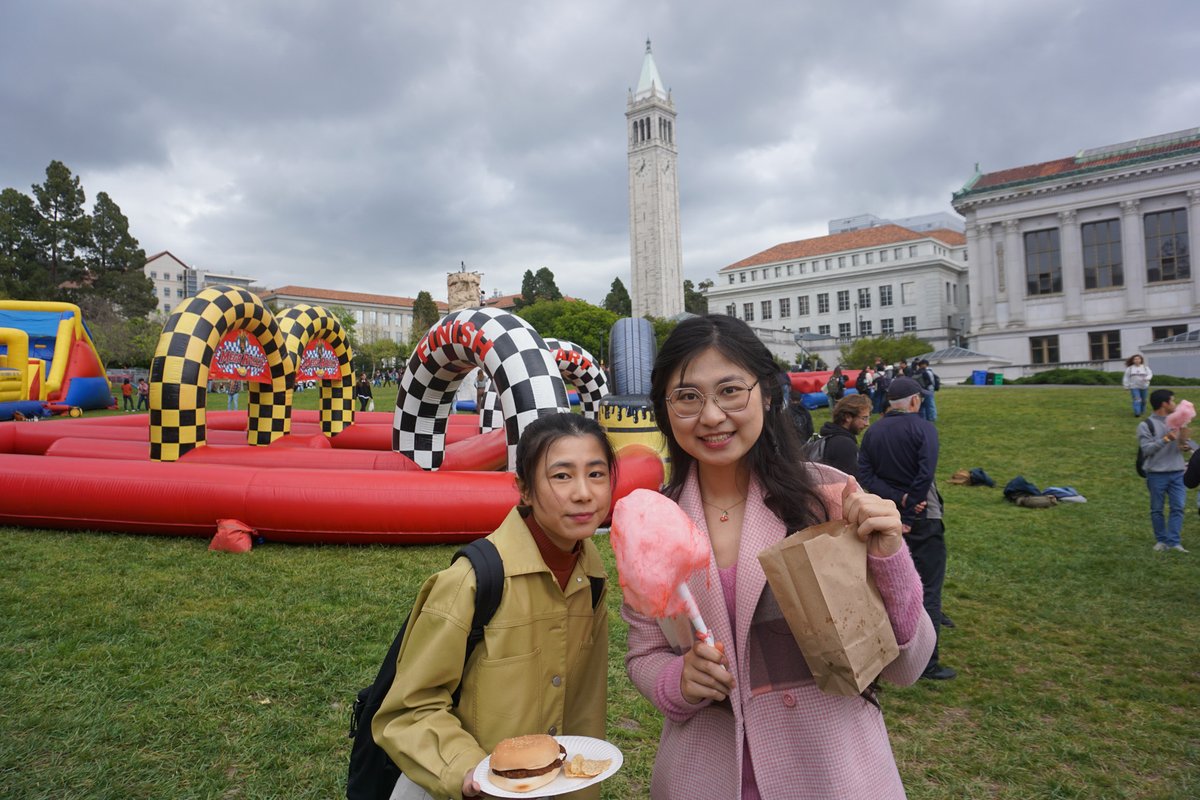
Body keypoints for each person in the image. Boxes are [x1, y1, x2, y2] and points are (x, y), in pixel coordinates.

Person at [623, 314, 935, 799]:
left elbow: (906, 665)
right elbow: (645, 652)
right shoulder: (652, 523)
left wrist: (891, 556)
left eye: (730, 390)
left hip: (829, 772)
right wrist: (677, 682)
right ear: (665, 410)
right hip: (706, 776)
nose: (710, 416)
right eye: (687, 396)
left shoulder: (828, 498)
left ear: (767, 394)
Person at [373, 413, 613, 799]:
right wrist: (467, 769)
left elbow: (584, 707)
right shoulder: (473, 581)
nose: (584, 492)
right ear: (525, 490)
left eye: (597, 474)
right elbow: (408, 710)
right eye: (562, 476)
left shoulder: (593, 577)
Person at [858, 375, 956, 681]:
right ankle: (926, 661)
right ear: (914, 401)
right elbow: (925, 474)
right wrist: (909, 509)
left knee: (890, 587)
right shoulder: (924, 428)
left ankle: (889, 654)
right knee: (928, 589)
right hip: (920, 520)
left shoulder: (873, 431)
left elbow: (865, 474)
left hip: (885, 520)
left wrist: (895, 498)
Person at [1139, 389, 1195, 553]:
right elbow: (1146, 450)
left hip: (1178, 472)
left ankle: (1174, 542)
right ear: (1164, 404)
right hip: (1156, 473)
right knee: (1157, 509)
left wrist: (1185, 443)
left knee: (1178, 507)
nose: (1176, 404)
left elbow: (1184, 444)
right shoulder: (1146, 425)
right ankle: (1161, 541)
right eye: (1173, 401)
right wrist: (1166, 439)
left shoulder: (1178, 422)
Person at [815, 394, 872, 479]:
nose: (867, 424)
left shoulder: (830, 437)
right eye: (864, 418)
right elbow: (850, 484)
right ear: (848, 417)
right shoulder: (845, 445)